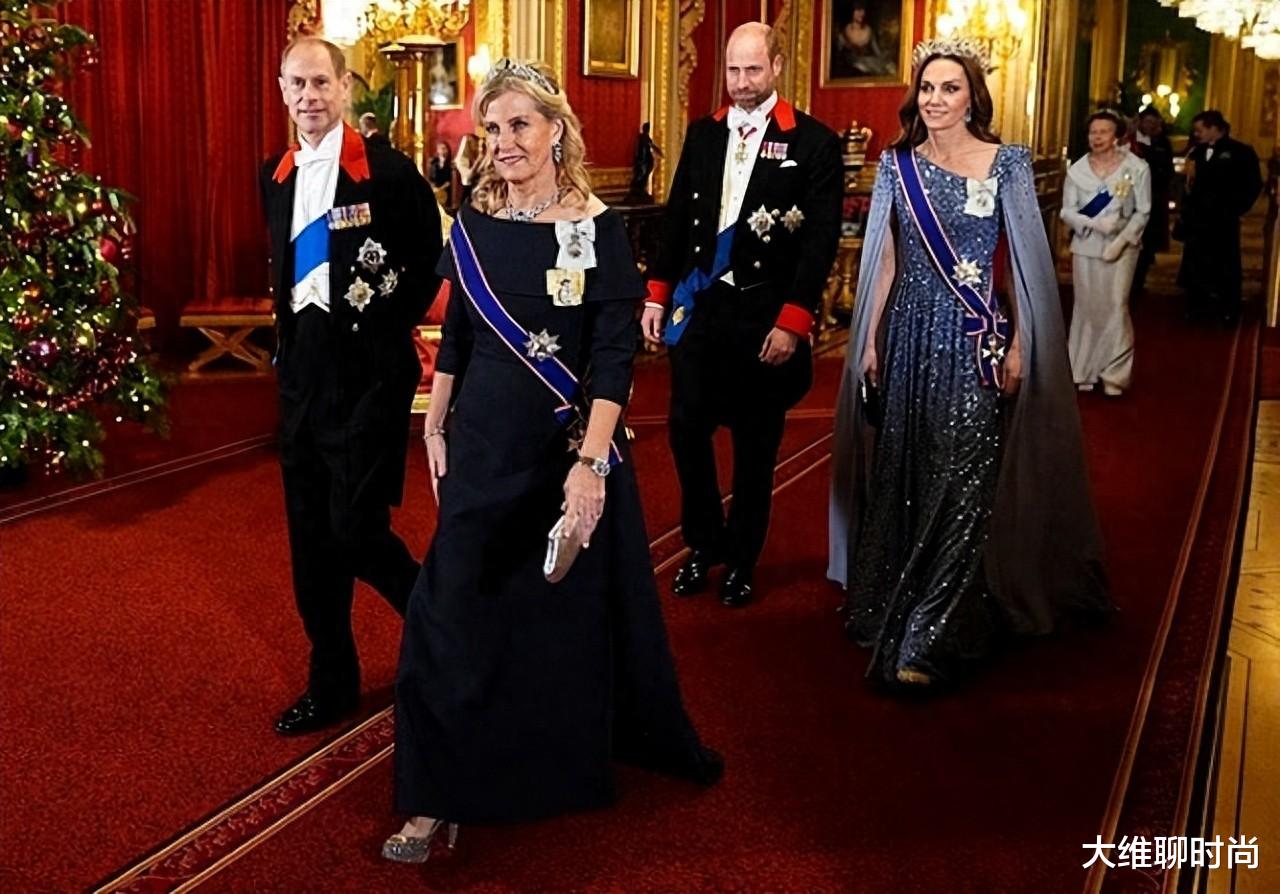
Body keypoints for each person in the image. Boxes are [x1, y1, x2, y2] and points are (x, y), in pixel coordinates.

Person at [384, 58, 721, 864]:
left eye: (519, 125)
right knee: (445, 612)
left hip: (561, 451)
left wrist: (591, 466)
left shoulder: (596, 229)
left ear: (556, 131)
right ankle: (432, 793)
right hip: (481, 447)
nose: (503, 142)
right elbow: (457, 336)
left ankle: (525, 770)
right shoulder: (474, 223)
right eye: (492, 129)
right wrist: (434, 425)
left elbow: (613, 357)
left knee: (544, 622)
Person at [827, 37, 1110, 688]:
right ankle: (896, 599)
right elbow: (886, 261)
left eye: (949, 88)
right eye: (927, 88)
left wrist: (1021, 344)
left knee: (963, 478)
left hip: (974, 338)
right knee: (908, 470)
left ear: (972, 97)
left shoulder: (1006, 163)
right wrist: (867, 341)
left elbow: (1025, 267)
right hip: (907, 334)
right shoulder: (897, 166)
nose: (935, 100)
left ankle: (927, 637)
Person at [259, 38, 441, 734]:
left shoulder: (388, 174)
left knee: (357, 531)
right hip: (302, 377)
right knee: (311, 539)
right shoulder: (274, 174)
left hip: (368, 379)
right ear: (283, 91)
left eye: (320, 83)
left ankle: (446, 625)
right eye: (297, 84)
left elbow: (426, 262)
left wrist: (381, 332)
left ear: (343, 88)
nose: (309, 96)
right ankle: (331, 680)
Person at [642, 22, 842, 608]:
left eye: (753, 69)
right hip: (702, 310)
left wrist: (794, 320)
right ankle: (704, 542)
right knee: (685, 431)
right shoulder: (704, 134)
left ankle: (742, 558)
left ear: (777, 66)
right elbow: (677, 218)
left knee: (756, 448)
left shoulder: (812, 142)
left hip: (763, 316)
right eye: (733, 69)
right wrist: (657, 294)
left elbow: (819, 241)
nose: (741, 81)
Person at [1062, 110, 1150, 397]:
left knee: (1115, 306)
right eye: (1093, 132)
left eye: (1103, 132)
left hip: (1122, 249)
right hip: (1086, 247)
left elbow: (1143, 211)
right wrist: (1093, 223)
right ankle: (1083, 369)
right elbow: (1067, 211)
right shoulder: (1077, 171)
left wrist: (1121, 241)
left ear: (1117, 136)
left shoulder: (1136, 168)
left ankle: (1114, 373)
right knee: (1087, 307)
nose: (1097, 137)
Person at [1177, 110, 1263, 324]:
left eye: (1200, 130)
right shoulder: (1196, 151)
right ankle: (1196, 307)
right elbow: (1187, 184)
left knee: (1225, 264)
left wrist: (1236, 208)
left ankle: (1227, 309)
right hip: (1197, 219)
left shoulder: (1241, 152)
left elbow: (1253, 184)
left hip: (1223, 220)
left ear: (1214, 128)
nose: (1196, 134)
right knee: (1196, 264)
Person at [1130, 107, 1173, 295]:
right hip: (1130, 200)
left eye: (1154, 123)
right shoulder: (1129, 142)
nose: (1151, 126)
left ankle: (1139, 281)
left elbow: (1168, 170)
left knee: (1147, 244)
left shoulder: (1162, 142)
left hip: (1153, 198)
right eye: (1147, 122)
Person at [427, 139, 453, 204]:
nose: (443, 150)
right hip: (434, 189)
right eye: (441, 148)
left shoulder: (450, 164)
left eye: (444, 148)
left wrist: (440, 189)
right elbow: (430, 178)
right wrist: (434, 188)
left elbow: (449, 181)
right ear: (438, 150)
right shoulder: (433, 162)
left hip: (445, 190)